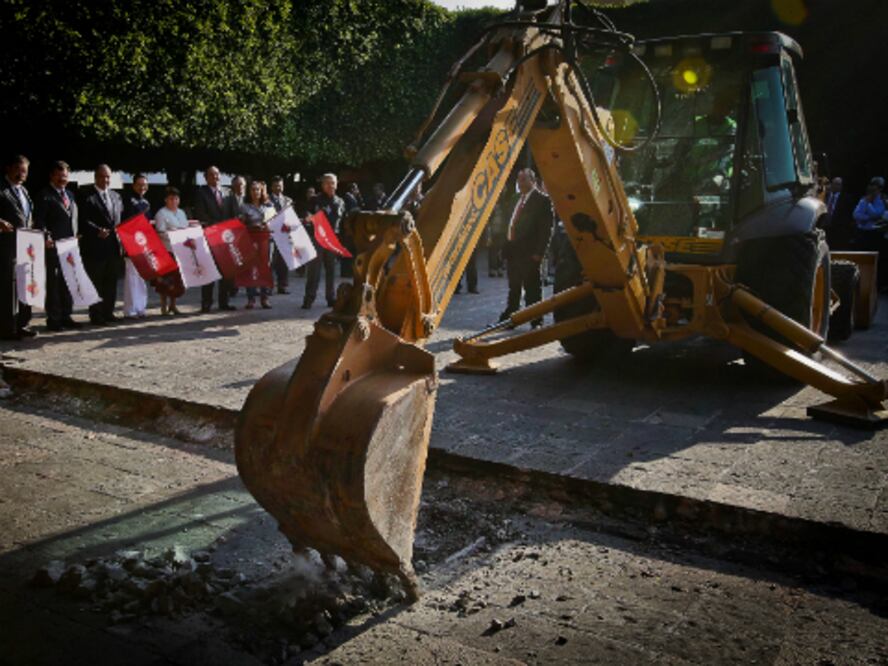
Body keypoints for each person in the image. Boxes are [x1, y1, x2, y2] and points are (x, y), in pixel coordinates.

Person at [499, 168, 554, 328]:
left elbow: (546, 230)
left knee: (532, 289)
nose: (520, 183)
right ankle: (510, 318)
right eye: (518, 180)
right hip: (513, 252)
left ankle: (536, 320)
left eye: (524, 180)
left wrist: (539, 253)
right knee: (514, 287)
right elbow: (508, 224)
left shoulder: (542, 200)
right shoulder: (516, 198)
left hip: (530, 253)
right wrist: (504, 247)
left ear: (533, 181)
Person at [33, 160, 81, 332]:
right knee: (53, 284)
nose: (63, 179)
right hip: (53, 247)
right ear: (52, 176)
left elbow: (72, 218)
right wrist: (46, 236)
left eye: (65, 176)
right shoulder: (44, 195)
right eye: (60, 176)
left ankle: (66, 316)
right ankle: (53, 319)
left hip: (69, 246)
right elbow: (40, 220)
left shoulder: (70, 194)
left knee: (68, 282)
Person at [79, 164, 123, 325]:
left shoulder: (116, 196)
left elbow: (119, 220)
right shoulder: (86, 195)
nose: (105, 180)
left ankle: (108, 312)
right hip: (95, 246)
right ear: (95, 177)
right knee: (96, 281)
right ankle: (96, 315)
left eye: (108, 177)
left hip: (113, 246)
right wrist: (96, 230)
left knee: (111, 281)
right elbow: (82, 219)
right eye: (102, 176)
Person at [0, 154, 36, 339]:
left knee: (25, 285)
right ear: (9, 168)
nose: (21, 174)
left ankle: (22, 324)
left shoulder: (24, 192)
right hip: (7, 246)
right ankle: (7, 328)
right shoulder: (2, 189)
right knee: (9, 288)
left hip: (26, 245)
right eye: (18, 170)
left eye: (24, 171)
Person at [194, 166, 235, 312]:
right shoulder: (201, 192)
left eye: (217, 174)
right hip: (209, 236)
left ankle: (224, 302)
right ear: (206, 177)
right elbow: (200, 214)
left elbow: (232, 214)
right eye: (211, 175)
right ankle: (206, 303)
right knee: (209, 269)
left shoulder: (228, 192)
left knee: (226, 271)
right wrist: (216, 228)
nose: (215, 177)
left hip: (225, 238)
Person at [302, 174, 344, 309]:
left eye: (333, 183)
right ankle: (309, 298)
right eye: (327, 183)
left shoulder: (340, 202)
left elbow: (342, 222)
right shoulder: (315, 200)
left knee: (331, 270)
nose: (330, 185)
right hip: (318, 239)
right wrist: (309, 217)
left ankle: (330, 298)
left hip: (332, 240)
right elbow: (307, 215)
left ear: (336, 184)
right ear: (322, 185)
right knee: (314, 270)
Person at [153, 187, 192, 315]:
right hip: (167, 250)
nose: (173, 201)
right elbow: (160, 232)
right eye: (171, 199)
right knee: (165, 280)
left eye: (176, 198)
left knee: (177, 280)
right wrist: (174, 234)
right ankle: (163, 306)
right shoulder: (161, 213)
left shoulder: (181, 213)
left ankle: (173, 305)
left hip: (180, 250)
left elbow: (186, 228)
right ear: (166, 200)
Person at [241, 180, 275, 309]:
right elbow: (241, 224)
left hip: (266, 240)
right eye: (253, 190)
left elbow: (274, 223)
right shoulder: (244, 207)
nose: (256, 192)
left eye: (258, 190)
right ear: (249, 192)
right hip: (251, 239)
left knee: (265, 268)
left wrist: (266, 225)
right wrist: (248, 224)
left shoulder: (269, 206)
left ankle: (264, 298)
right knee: (250, 268)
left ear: (262, 191)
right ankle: (251, 299)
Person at [121, 174, 151, 318]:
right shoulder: (128, 201)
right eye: (139, 184)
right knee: (131, 277)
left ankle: (141, 307)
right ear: (133, 185)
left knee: (141, 277)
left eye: (144, 185)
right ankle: (130, 309)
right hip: (131, 243)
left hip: (143, 244)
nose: (142, 187)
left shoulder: (146, 203)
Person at [852, 177, 888, 288]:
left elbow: (877, 214)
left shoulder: (883, 200)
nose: (873, 189)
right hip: (863, 233)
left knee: (877, 260)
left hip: (876, 234)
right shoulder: (864, 199)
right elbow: (856, 214)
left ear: (880, 189)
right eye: (872, 186)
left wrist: (868, 206)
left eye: (876, 187)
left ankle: (877, 284)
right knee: (862, 259)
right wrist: (867, 217)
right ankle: (862, 282)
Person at [268, 175, 293, 294]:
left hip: (284, 234)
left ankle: (282, 285)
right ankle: (268, 286)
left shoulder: (288, 200)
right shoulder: (267, 199)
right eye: (276, 185)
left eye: (280, 185)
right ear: (272, 187)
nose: (278, 187)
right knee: (271, 261)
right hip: (271, 234)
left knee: (283, 262)